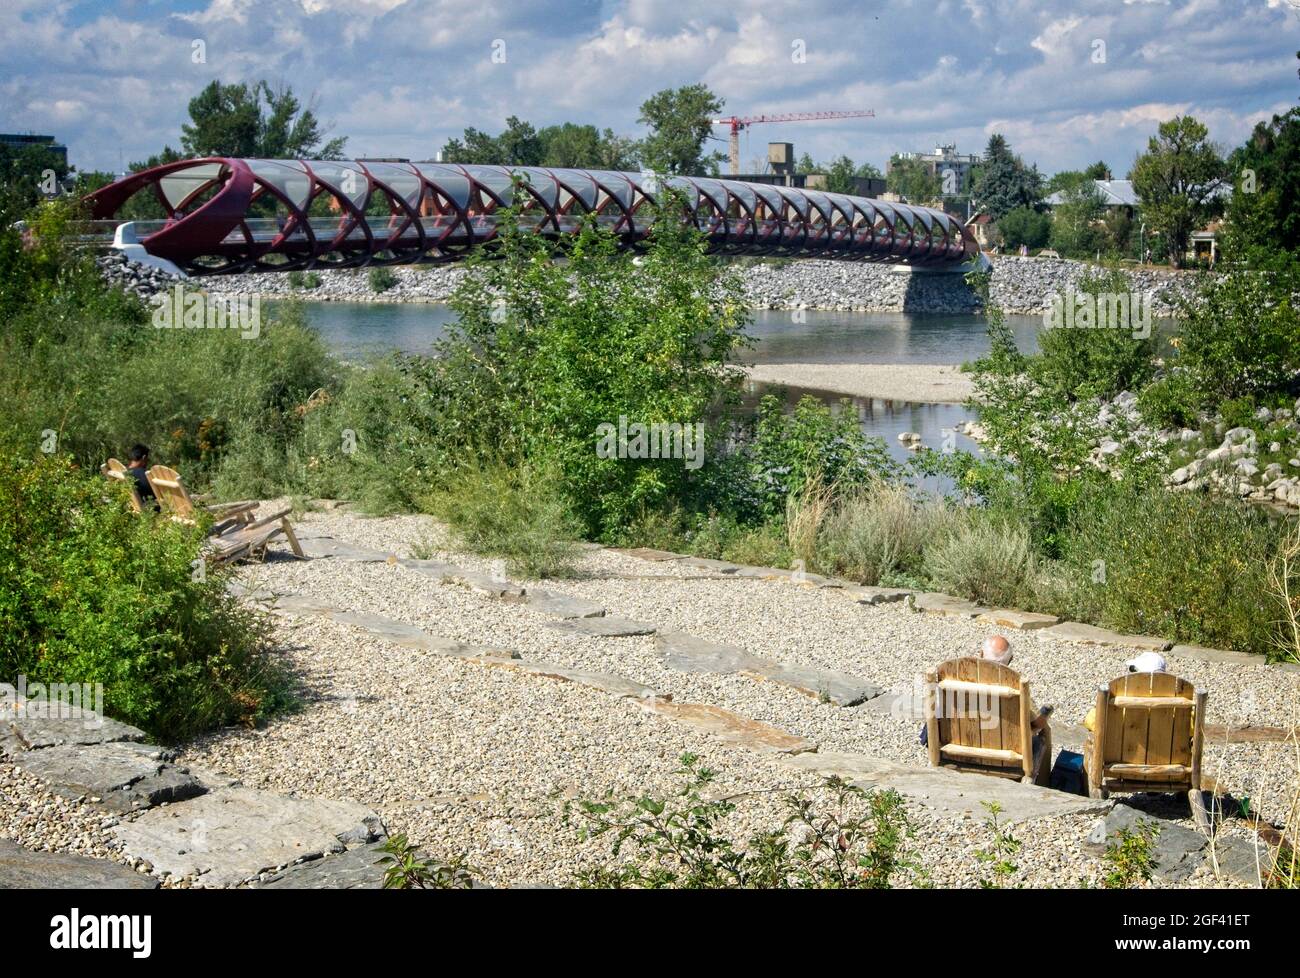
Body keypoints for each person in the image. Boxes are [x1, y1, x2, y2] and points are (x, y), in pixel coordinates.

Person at [125, 444, 157, 508]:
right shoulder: (144, 475)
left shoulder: (125, 472)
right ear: (144, 457)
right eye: (147, 459)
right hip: (149, 509)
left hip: (132, 507)